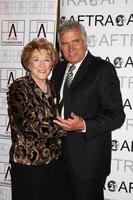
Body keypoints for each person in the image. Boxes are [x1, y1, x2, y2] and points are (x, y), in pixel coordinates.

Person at [52, 20, 125, 200]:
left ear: (85, 41)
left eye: (75, 41)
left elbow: (117, 116)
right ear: (60, 47)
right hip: (59, 159)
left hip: (88, 162)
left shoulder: (102, 69)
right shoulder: (59, 69)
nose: (71, 48)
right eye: (65, 44)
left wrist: (83, 125)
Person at [7, 38, 65, 200]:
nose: (42, 65)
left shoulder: (52, 87)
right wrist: (65, 128)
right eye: (36, 59)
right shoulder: (19, 87)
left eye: (46, 59)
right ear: (28, 63)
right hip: (29, 162)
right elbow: (29, 126)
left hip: (53, 161)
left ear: (52, 62)